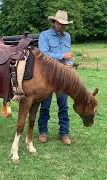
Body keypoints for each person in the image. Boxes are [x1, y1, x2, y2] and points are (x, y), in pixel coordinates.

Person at [37, 10, 74, 145]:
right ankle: (43, 131)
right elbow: (43, 54)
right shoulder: (44, 36)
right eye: (60, 23)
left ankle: (64, 133)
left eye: (65, 24)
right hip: (48, 76)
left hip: (63, 77)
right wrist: (61, 56)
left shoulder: (67, 36)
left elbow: (69, 54)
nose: (63, 26)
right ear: (54, 22)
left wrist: (70, 63)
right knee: (45, 105)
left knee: (63, 105)